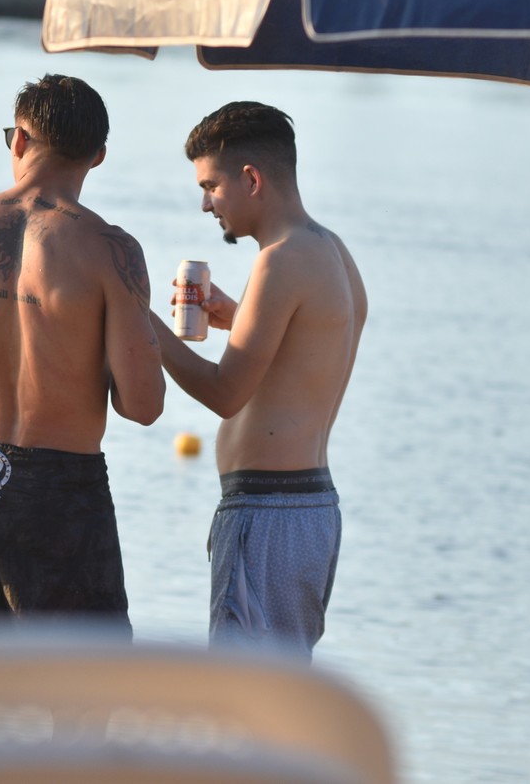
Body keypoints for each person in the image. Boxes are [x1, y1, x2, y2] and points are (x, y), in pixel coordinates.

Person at [0, 73, 165, 640]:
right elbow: (143, 406)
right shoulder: (111, 250)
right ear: (98, 156)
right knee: (80, 707)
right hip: (62, 498)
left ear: (20, 140)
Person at [152, 101, 367, 660]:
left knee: (242, 710)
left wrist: (146, 327)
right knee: (279, 699)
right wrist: (240, 317)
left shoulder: (279, 261)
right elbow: (311, 355)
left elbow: (226, 394)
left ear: (251, 179)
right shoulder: (331, 251)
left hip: (267, 515)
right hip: (310, 510)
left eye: (211, 186)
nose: (205, 204)